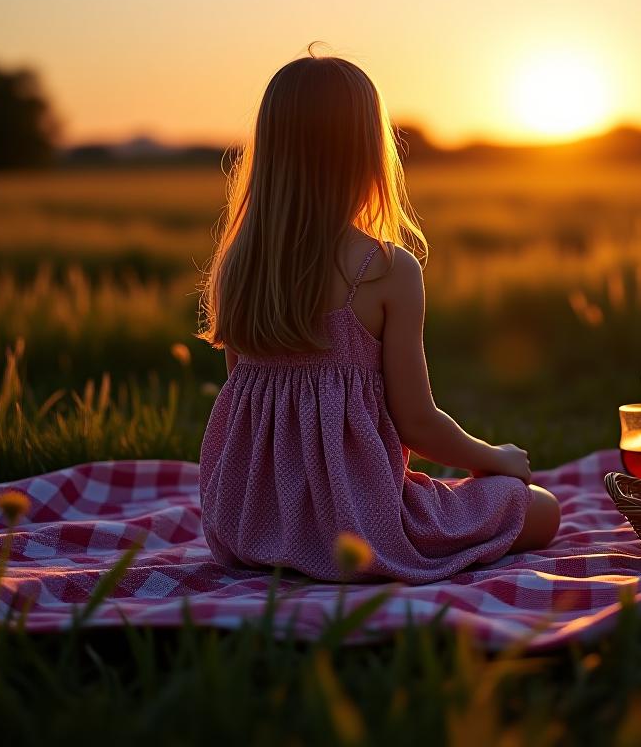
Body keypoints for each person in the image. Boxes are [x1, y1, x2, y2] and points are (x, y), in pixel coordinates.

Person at [197, 48, 560, 583]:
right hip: (359, 529)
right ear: (368, 153)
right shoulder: (384, 269)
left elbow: (247, 417)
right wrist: (494, 457)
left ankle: (294, 550)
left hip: (245, 524)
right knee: (542, 508)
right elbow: (417, 423)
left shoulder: (240, 266)